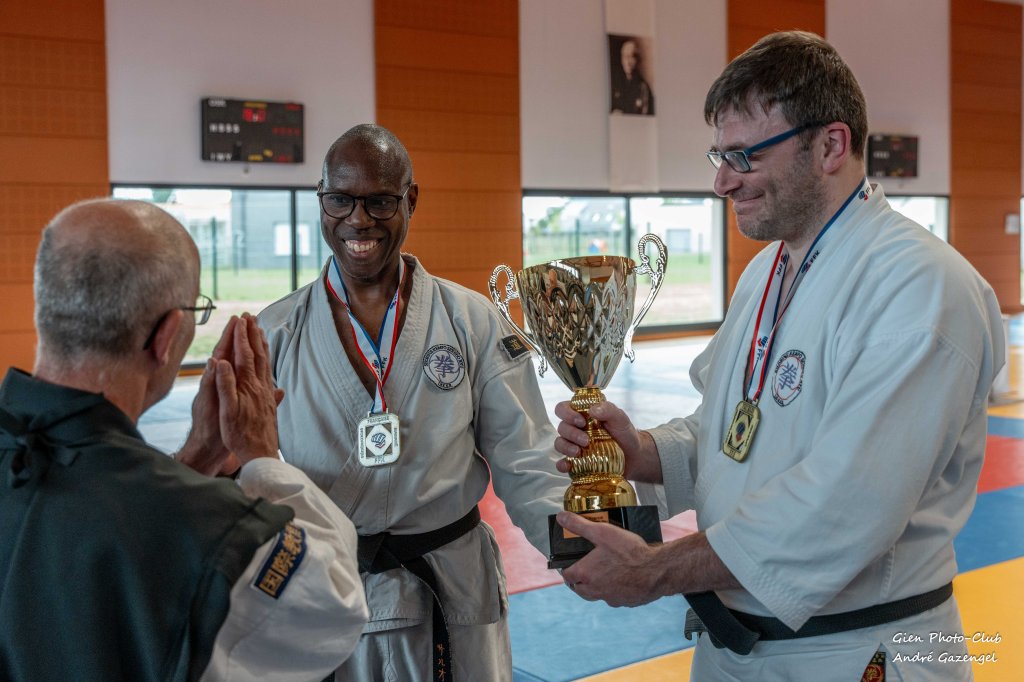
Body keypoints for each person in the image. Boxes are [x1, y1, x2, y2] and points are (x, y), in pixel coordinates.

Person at [554, 31, 1004, 681]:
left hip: (859, 650)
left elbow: (846, 505)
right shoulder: (766, 271)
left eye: (745, 155)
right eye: (720, 154)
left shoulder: (919, 286)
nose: (721, 181)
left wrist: (656, 570)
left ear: (831, 146)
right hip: (736, 646)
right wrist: (642, 453)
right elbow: (734, 433)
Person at [0, 199, 368, 681]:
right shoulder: (206, 528)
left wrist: (193, 461)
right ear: (168, 336)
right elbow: (334, 602)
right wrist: (262, 456)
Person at [257, 124, 566, 681]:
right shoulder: (274, 332)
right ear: (321, 199)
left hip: (450, 584)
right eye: (340, 200)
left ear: (411, 200)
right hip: (330, 592)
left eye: (380, 201)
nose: (358, 220)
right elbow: (248, 471)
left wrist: (584, 549)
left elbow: (527, 457)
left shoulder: (471, 320)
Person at [610, 36, 655, 115]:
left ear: (637, 60)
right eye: (625, 57)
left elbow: (645, 116)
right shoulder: (615, 84)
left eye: (631, 57)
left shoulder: (643, 87)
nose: (628, 62)